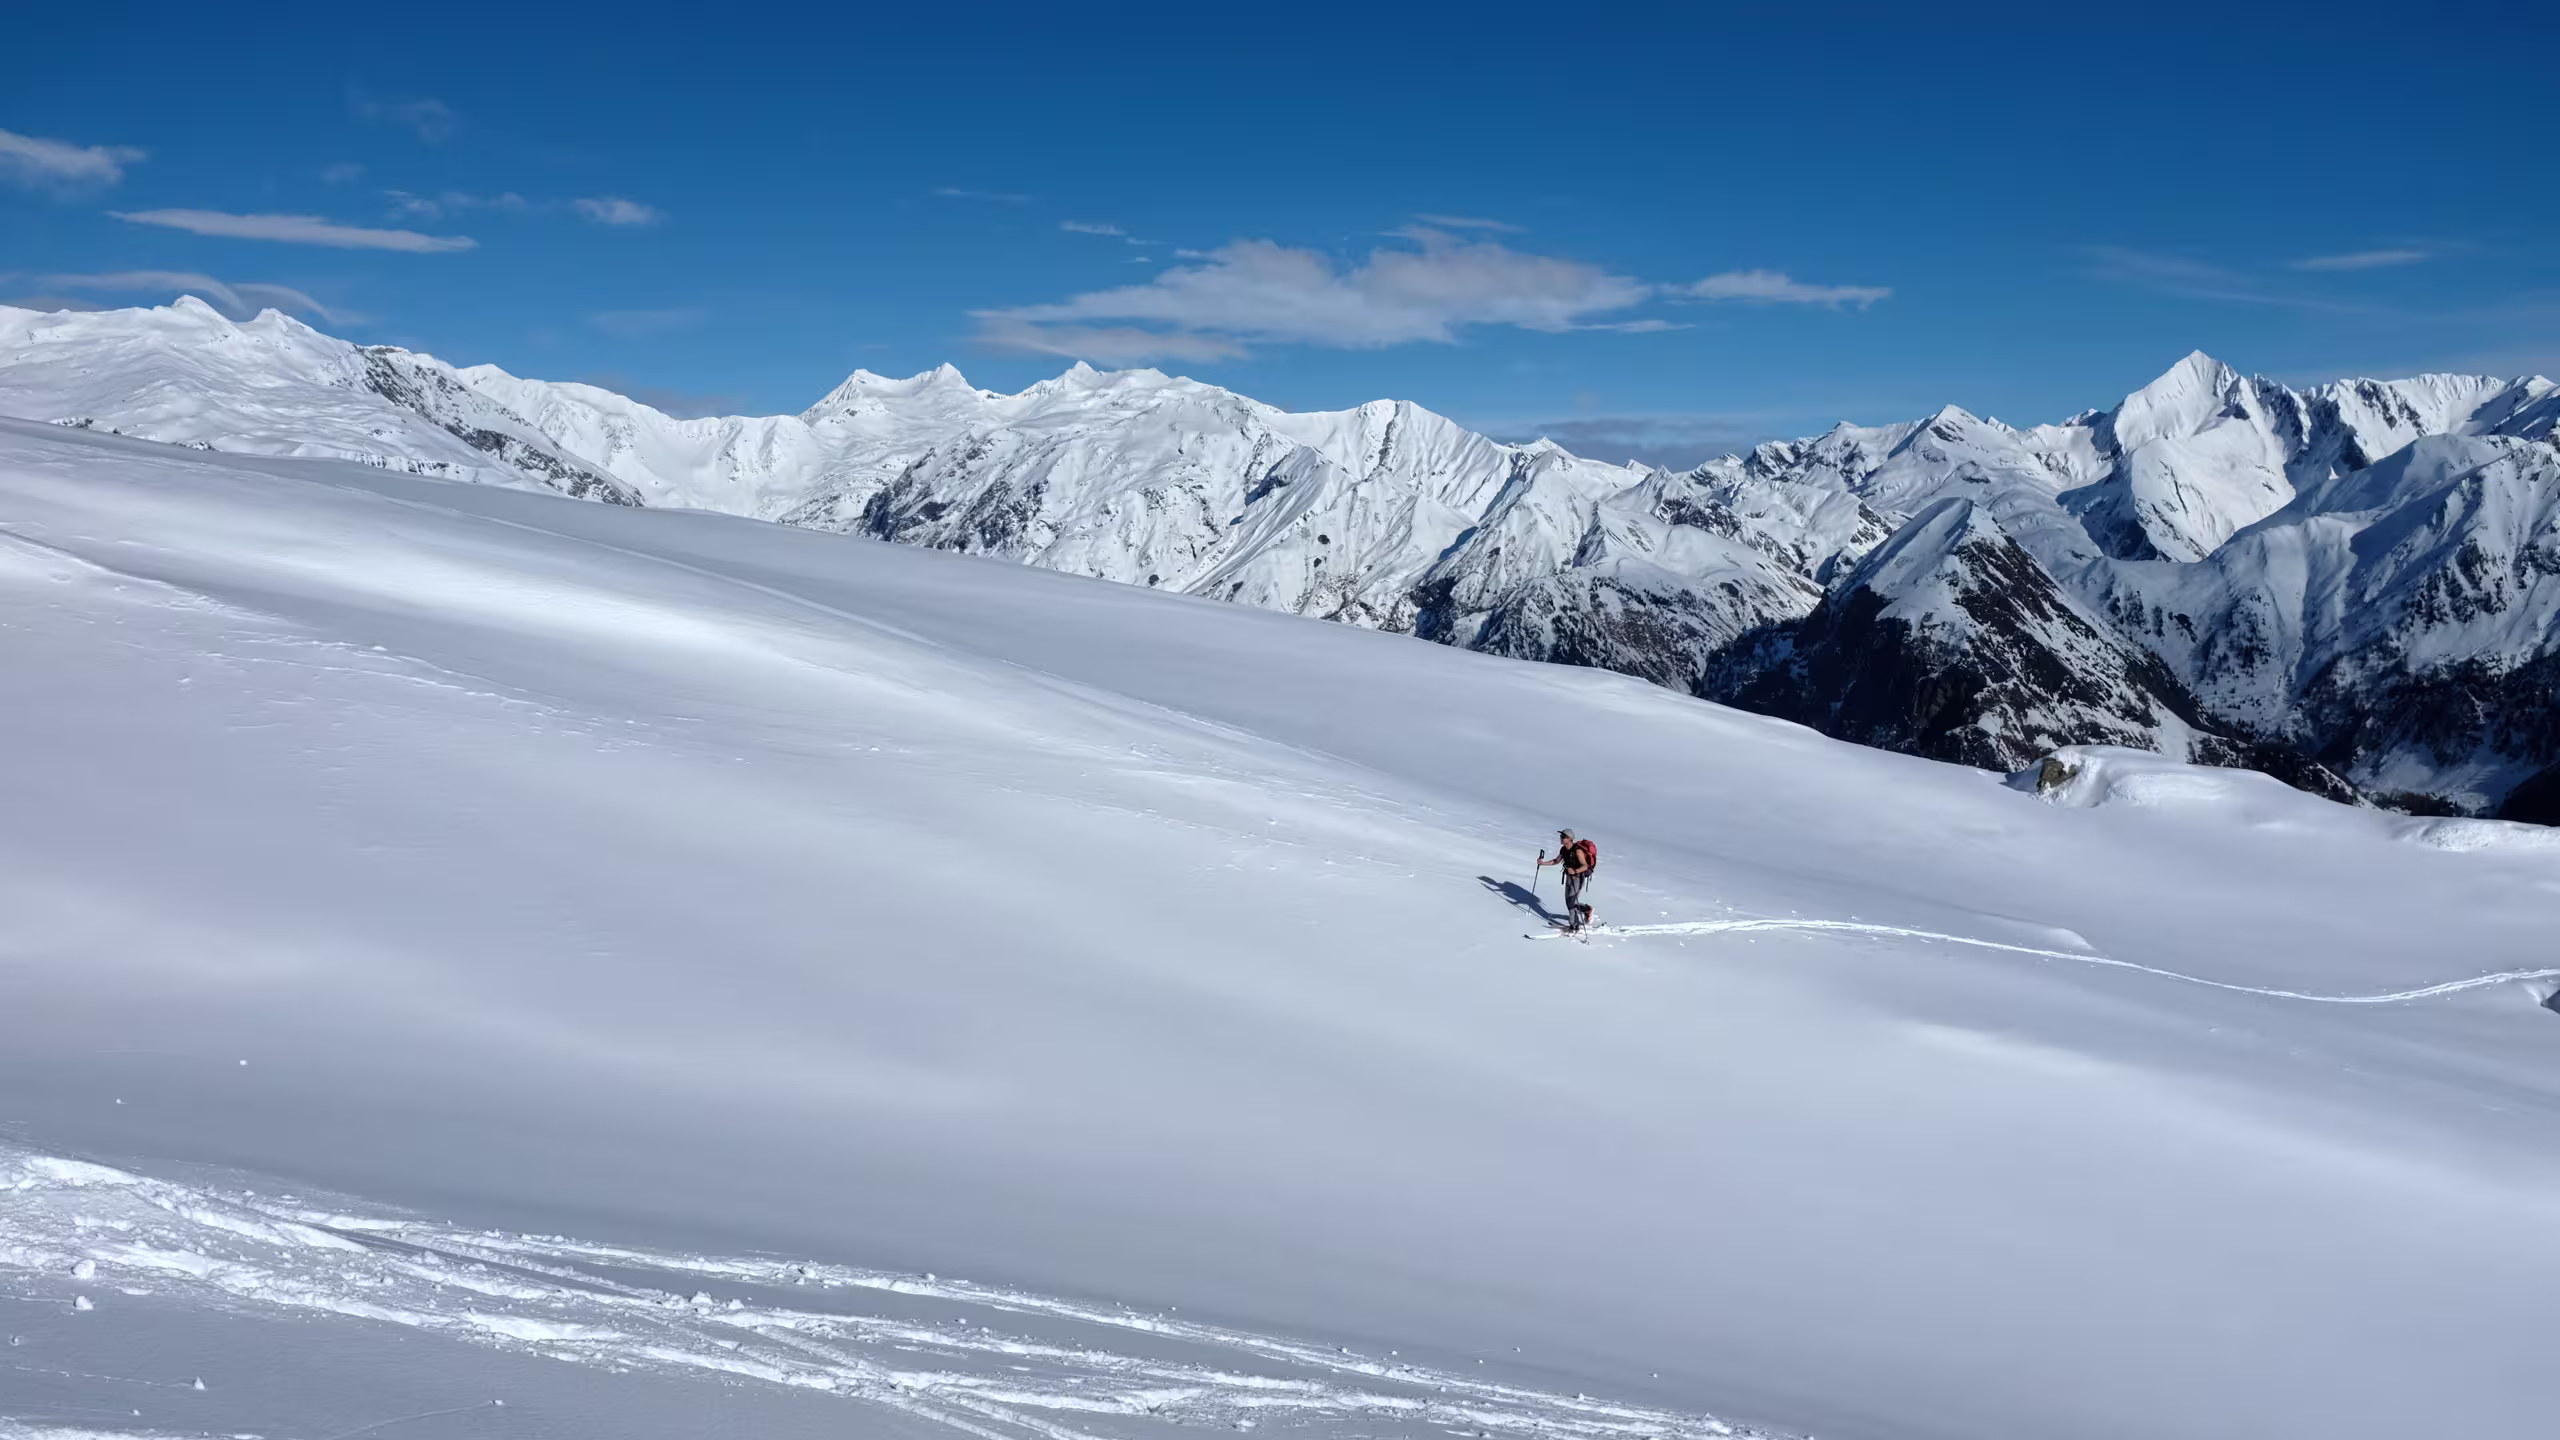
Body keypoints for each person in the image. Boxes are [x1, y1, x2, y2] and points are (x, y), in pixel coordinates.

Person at [1537, 828, 1599, 930]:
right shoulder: (1563, 850)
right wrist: (1542, 863)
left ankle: (1574, 926)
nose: (1561, 838)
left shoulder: (1578, 851)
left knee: (1570, 902)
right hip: (1569, 878)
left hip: (1578, 878)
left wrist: (1574, 871)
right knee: (1570, 901)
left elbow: (1584, 866)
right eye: (1561, 836)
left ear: (1569, 839)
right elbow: (1556, 861)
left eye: (1563, 837)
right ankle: (1586, 909)